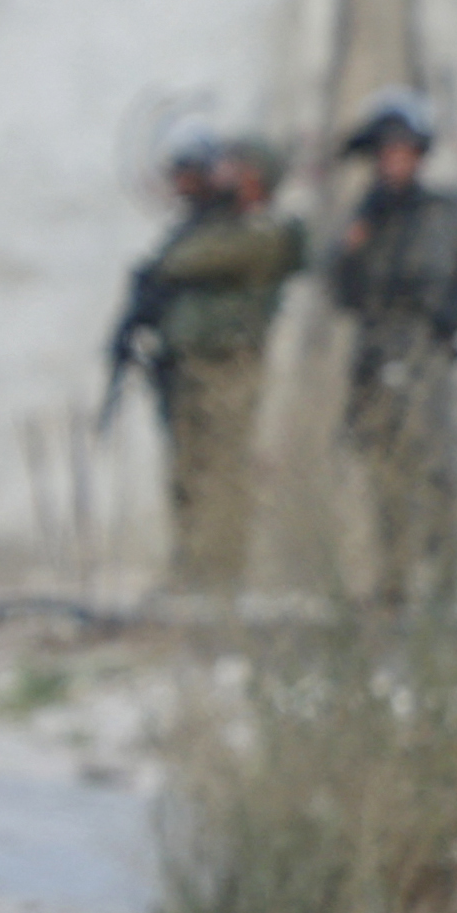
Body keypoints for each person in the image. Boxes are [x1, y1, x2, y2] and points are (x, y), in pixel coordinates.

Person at [322, 89, 457, 608]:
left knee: (437, 471)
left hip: (427, 353)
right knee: (383, 473)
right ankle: (395, 583)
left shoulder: (443, 213)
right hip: (375, 354)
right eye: (386, 153)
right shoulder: (367, 217)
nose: (394, 163)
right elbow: (335, 287)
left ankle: (446, 587)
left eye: (403, 152)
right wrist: (350, 246)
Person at [120, 122, 306, 591]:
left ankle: (219, 577)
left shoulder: (264, 232)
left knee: (223, 471)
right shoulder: (210, 226)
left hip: (231, 366)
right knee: (188, 470)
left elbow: (186, 262)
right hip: (189, 365)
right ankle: (191, 570)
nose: (222, 175)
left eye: (236, 167)